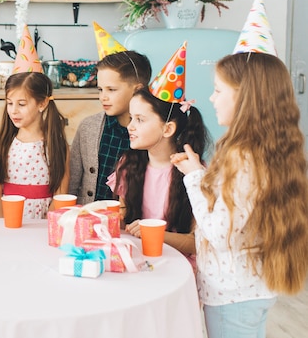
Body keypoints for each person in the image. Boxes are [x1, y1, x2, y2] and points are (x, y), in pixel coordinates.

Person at [172, 52, 308, 337]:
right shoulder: (266, 149)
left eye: (218, 90)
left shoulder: (243, 157)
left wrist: (194, 178)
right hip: (250, 288)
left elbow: (220, 234)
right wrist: (198, 170)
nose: (211, 98)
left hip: (232, 293)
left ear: (246, 97)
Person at [108, 88, 211, 265]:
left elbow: (197, 243)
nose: (130, 126)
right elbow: (124, 219)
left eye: (139, 120)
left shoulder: (194, 172)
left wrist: (153, 233)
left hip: (178, 265)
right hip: (139, 259)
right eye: (131, 118)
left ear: (168, 128)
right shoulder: (128, 164)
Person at [68, 50, 152, 204]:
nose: (103, 97)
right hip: (89, 218)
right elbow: (72, 180)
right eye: (100, 89)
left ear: (138, 89)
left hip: (129, 224)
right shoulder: (88, 127)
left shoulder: (151, 132)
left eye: (111, 90)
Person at [0, 72, 69, 219]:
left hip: (42, 223)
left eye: (21, 104)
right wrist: (1, 224)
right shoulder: (3, 143)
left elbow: (60, 193)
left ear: (42, 103)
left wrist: (44, 225)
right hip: (7, 220)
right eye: (10, 103)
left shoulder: (56, 145)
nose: (14, 110)